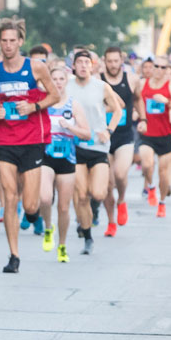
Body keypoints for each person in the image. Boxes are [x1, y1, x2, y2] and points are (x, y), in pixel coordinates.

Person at [0, 19, 60, 272]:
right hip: (5, 139)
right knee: (10, 198)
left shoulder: (35, 67)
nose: (8, 45)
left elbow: (54, 95)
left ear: (21, 42)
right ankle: (14, 256)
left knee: (30, 205)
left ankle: (34, 215)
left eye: (13, 40)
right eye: (4, 41)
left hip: (32, 139)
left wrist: (34, 106)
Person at [65, 50, 122, 255]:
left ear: (92, 65)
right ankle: (87, 235)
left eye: (86, 62)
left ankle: (91, 211)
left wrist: (109, 130)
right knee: (81, 195)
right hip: (75, 146)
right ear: (73, 65)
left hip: (98, 146)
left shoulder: (101, 86)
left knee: (98, 192)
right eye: (78, 62)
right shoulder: (67, 85)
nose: (82, 66)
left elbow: (118, 110)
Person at [39, 63, 91, 263]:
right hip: (45, 157)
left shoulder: (73, 104)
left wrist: (70, 127)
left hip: (67, 158)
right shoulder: (43, 103)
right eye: (54, 79)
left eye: (62, 79)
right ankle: (47, 227)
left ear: (66, 81)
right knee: (44, 198)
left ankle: (62, 245)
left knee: (63, 207)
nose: (58, 83)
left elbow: (86, 133)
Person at [100, 46, 142, 235]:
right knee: (107, 184)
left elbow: (139, 99)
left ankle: (122, 199)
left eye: (116, 61)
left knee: (120, 173)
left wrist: (143, 118)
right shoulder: (98, 81)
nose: (113, 65)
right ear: (104, 61)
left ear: (121, 61)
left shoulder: (131, 79)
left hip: (124, 135)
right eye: (109, 61)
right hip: (104, 135)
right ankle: (110, 221)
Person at [137, 56, 171, 218]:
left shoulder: (170, 86)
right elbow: (136, 101)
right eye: (157, 66)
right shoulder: (143, 84)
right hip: (147, 132)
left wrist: (167, 102)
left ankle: (162, 203)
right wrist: (138, 115)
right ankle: (151, 187)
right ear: (151, 67)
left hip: (165, 134)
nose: (160, 70)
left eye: (164, 68)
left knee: (163, 173)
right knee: (147, 164)